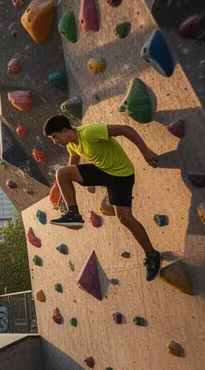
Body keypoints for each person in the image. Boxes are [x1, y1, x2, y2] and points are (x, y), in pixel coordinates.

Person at [43, 115, 162, 280]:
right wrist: (66, 185)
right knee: (62, 174)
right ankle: (74, 214)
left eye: (55, 137)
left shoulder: (89, 132)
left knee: (125, 218)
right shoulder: (71, 144)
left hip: (121, 175)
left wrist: (145, 151)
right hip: (102, 171)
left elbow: (125, 129)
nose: (55, 141)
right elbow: (73, 164)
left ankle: (152, 255)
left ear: (65, 130)